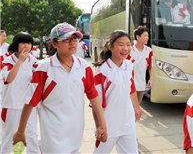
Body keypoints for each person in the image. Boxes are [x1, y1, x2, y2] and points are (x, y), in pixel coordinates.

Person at [12, 22, 107, 154]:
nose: (72, 43)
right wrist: (21, 131)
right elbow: (30, 102)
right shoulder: (44, 68)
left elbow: (93, 95)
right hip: (53, 136)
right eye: (66, 40)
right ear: (54, 44)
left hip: (76, 132)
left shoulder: (83, 66)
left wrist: (102, 124)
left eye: (74, 39)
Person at [93, 30, 141, 154]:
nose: (125, 48)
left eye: (128, 44)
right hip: (108, 124)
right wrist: (99, 126)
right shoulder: (102, 70)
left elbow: (131, 89)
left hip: (127, 122)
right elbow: (95, 101)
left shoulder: (129, 65)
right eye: (120, 44)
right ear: (111, 46)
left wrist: (136, 107)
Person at [1, 32, 40, 154]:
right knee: (8, 138)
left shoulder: (33, 61)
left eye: (29, 43)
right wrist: (19, 62)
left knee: (32, 136)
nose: (26, 46)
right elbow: (8, 79)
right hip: (12, 105)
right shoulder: (7, 61)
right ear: (16, 44)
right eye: (23, 42)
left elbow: (37, 82)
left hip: (28, 105)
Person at [128, 26, 153, 104]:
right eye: (145, 36)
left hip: (141, 85)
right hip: (129, 84)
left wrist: (151, 79)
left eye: (148, 36)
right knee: (130, 108)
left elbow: (150, 67)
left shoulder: (149, 51)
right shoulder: (129, 50)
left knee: (137, 106)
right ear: (138, 37)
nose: (147, 38)